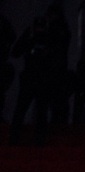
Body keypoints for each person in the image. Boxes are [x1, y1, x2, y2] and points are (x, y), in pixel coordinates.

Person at [8, 15, 52, 146]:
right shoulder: (30, 38)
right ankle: (15, 138)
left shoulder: (49, 39)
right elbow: (15, 52)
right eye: (38, 27)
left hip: (41, 79)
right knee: (23, 109)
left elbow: (55, 57)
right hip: (31, 78)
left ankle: (38, 140)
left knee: (40, 111)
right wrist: (26, 38)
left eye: (41, 27)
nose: (39, 30)